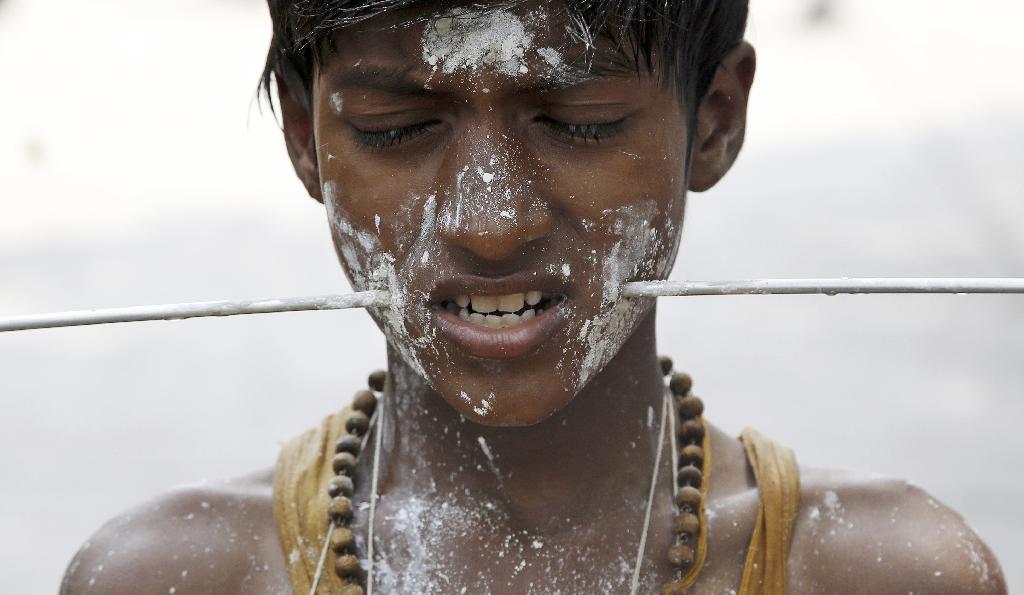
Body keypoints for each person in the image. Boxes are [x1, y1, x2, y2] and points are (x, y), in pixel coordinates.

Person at [61, 0, 1007, 592]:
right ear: (307, 140)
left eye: (580, 123)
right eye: (397, 128)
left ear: (715, 122)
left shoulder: (881, 573)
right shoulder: (172, 577)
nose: (490, 221)